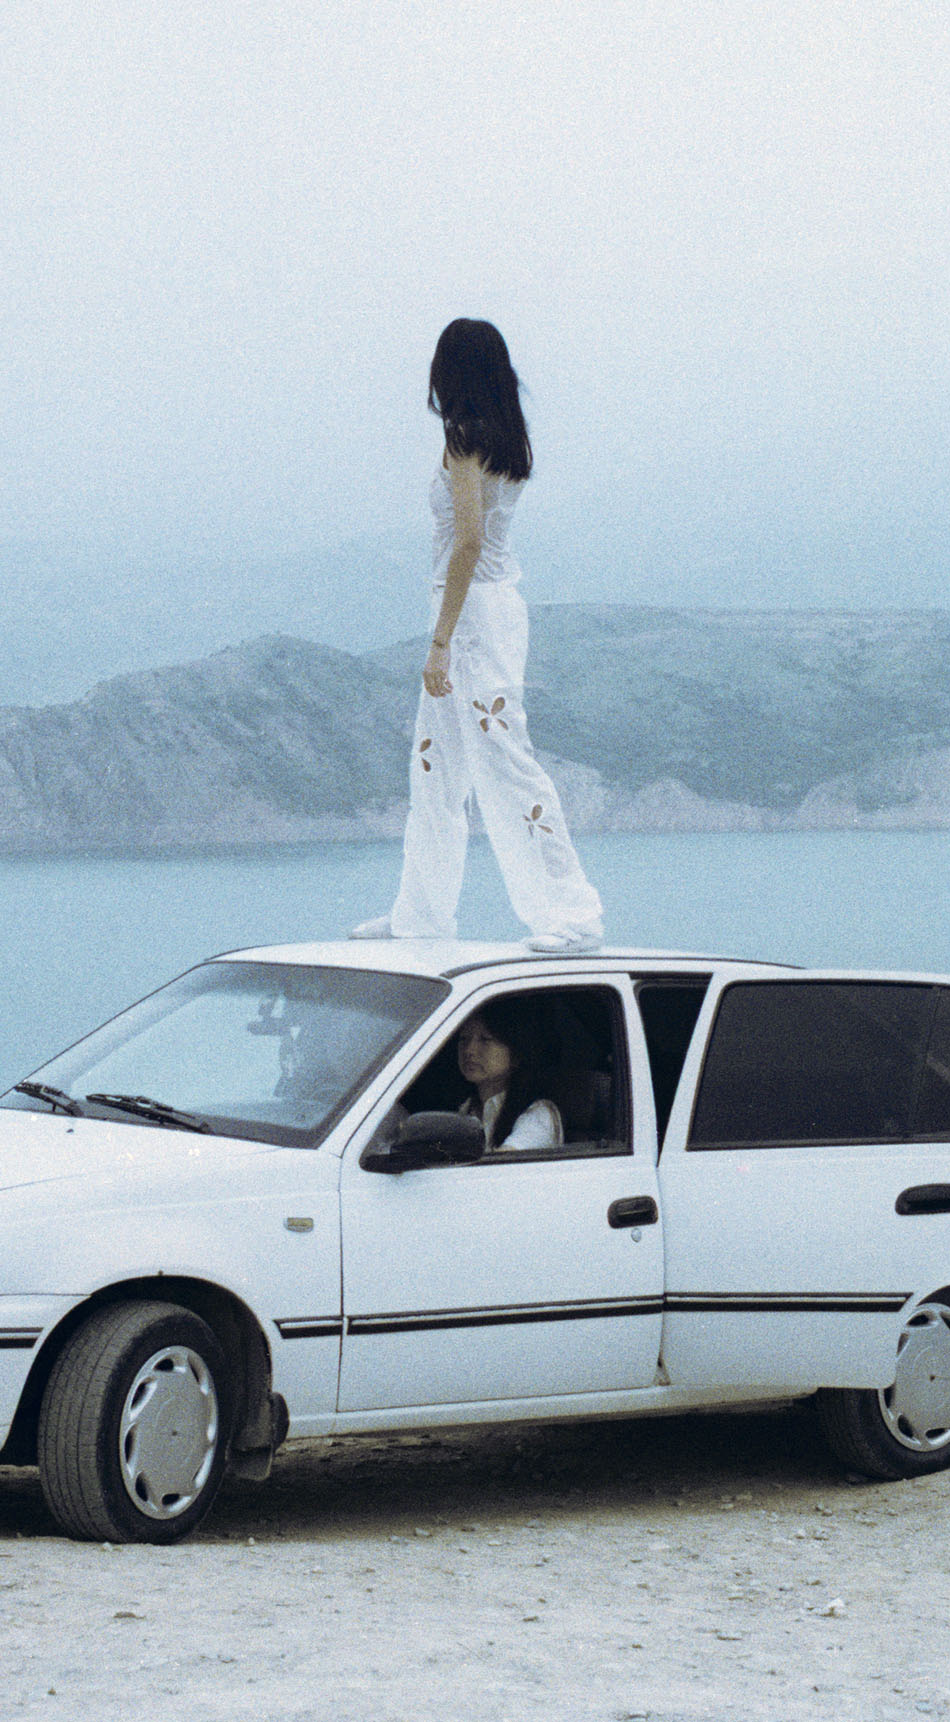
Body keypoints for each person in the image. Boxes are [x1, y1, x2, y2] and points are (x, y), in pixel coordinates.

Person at [351, 318, 606, 954]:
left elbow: (467, 542)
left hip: (471, 618)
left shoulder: (465, 439)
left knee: (502, 758)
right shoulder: (506, 436)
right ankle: (420, 914)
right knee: (436, 765)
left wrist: (439, 643)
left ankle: (571, 914)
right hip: (487, 609)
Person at [450, 1007, 563, 1152]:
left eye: (485, 1040)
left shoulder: (539, 1115)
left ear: (515, 1053)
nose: (469, 1050)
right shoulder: (467, 1109)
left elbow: (505, 1162)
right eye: (464, 1039)